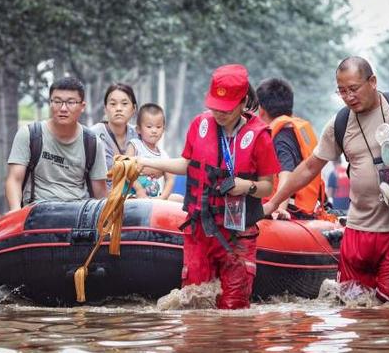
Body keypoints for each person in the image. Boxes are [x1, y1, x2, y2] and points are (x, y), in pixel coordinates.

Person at [264, 56, 389, 302]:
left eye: (353, 89)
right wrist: (273, 202)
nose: (348, 96)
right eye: (342, 91)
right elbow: (310, 167)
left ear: (372, 81)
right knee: (352, 310)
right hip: (357, 233)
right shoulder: (340, 123)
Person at [136, 64, 280, 309]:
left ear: (243, 101)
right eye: (214, 106)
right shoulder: (199, 124)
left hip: (237, 234)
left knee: (233, 311)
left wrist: (246, 186)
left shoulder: (260, 136)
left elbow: (268, 186)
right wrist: (144, 162)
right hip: (199, 228)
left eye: (225, 108)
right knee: (194, 303)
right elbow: (188, 164)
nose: (219, 113)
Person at [5, 77, 108, 211]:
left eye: (71, 102)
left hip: (78, 213)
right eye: (57, 101)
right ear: (50, 103)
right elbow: (14, 179)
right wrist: (15, 211)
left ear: (82, 106)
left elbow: (100, 192)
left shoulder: (92, 142)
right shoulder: (30, 135)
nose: (63, 108)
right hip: (36, 211)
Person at [256, 78, 329, 220]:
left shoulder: (281, 137)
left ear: (261, 111)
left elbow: (286, 173)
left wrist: (277, 208)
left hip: (293, 212)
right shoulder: (294, 130)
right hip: (308, 210)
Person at [124, 103, 176, 199]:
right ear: (138, 129)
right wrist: (139, 190)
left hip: (153, 198)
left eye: (158, 127)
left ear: (163, 130)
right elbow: (126, 169)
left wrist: (162, 198)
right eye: (149, 127)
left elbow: (170, 179)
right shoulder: (135, 145)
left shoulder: (163, 155)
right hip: (131, 196)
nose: (154, 130)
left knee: (178, 199)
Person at [90, 83, 139, 173]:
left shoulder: (139, 135)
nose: (118, 108)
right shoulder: (92, 135)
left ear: (134, 108)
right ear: (105, 108)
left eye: (124, 103)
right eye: (113, 104)